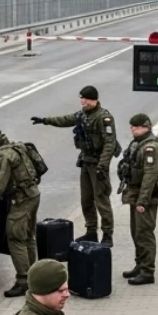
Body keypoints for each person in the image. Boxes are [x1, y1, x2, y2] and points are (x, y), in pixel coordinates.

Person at [31, 85, 119, 246]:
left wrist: (103, 165)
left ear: (94, 100)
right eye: (81, 98)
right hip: (86, 162)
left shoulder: (104, 118)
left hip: (98, 164)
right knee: (86, 200)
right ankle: (91, 231)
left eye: (85, 98)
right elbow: (65, 120)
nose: (82, 101)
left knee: (101, 200)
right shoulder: (82, 115)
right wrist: (45, 121)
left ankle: (107, 235)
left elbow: (109, 143)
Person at [0, 124, 40, 298]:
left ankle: (22, 281)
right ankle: (33, 275)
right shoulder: (15, 146)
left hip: (21, 200)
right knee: (28, 236)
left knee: (15, 238)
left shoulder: (3, 156)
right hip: (33, 194)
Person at [117, 112, 158, 285]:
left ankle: (147, 271)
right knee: (136, 232)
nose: (133, 130)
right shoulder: (138, 143)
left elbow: (150, 177)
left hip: (145, 198)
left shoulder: (150, 148)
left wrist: (142, 202)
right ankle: (140, 265)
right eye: (131, 127)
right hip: (135, 194)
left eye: (136, 127)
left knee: (144, 233)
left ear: (147, 127)